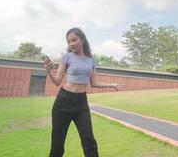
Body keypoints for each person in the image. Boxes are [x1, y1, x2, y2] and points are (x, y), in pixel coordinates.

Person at [44, 27, 121, 157]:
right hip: (63, 102)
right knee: (57, 145)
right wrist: (49, 70)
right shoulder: (66, 57)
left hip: (81, 104)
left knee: (89, 142)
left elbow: (94, 83)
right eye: (69, 42)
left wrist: (112, 84)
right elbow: (57, 81)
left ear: (82, 39)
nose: (71, 44)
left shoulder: (91, 59)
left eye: (74, 40)